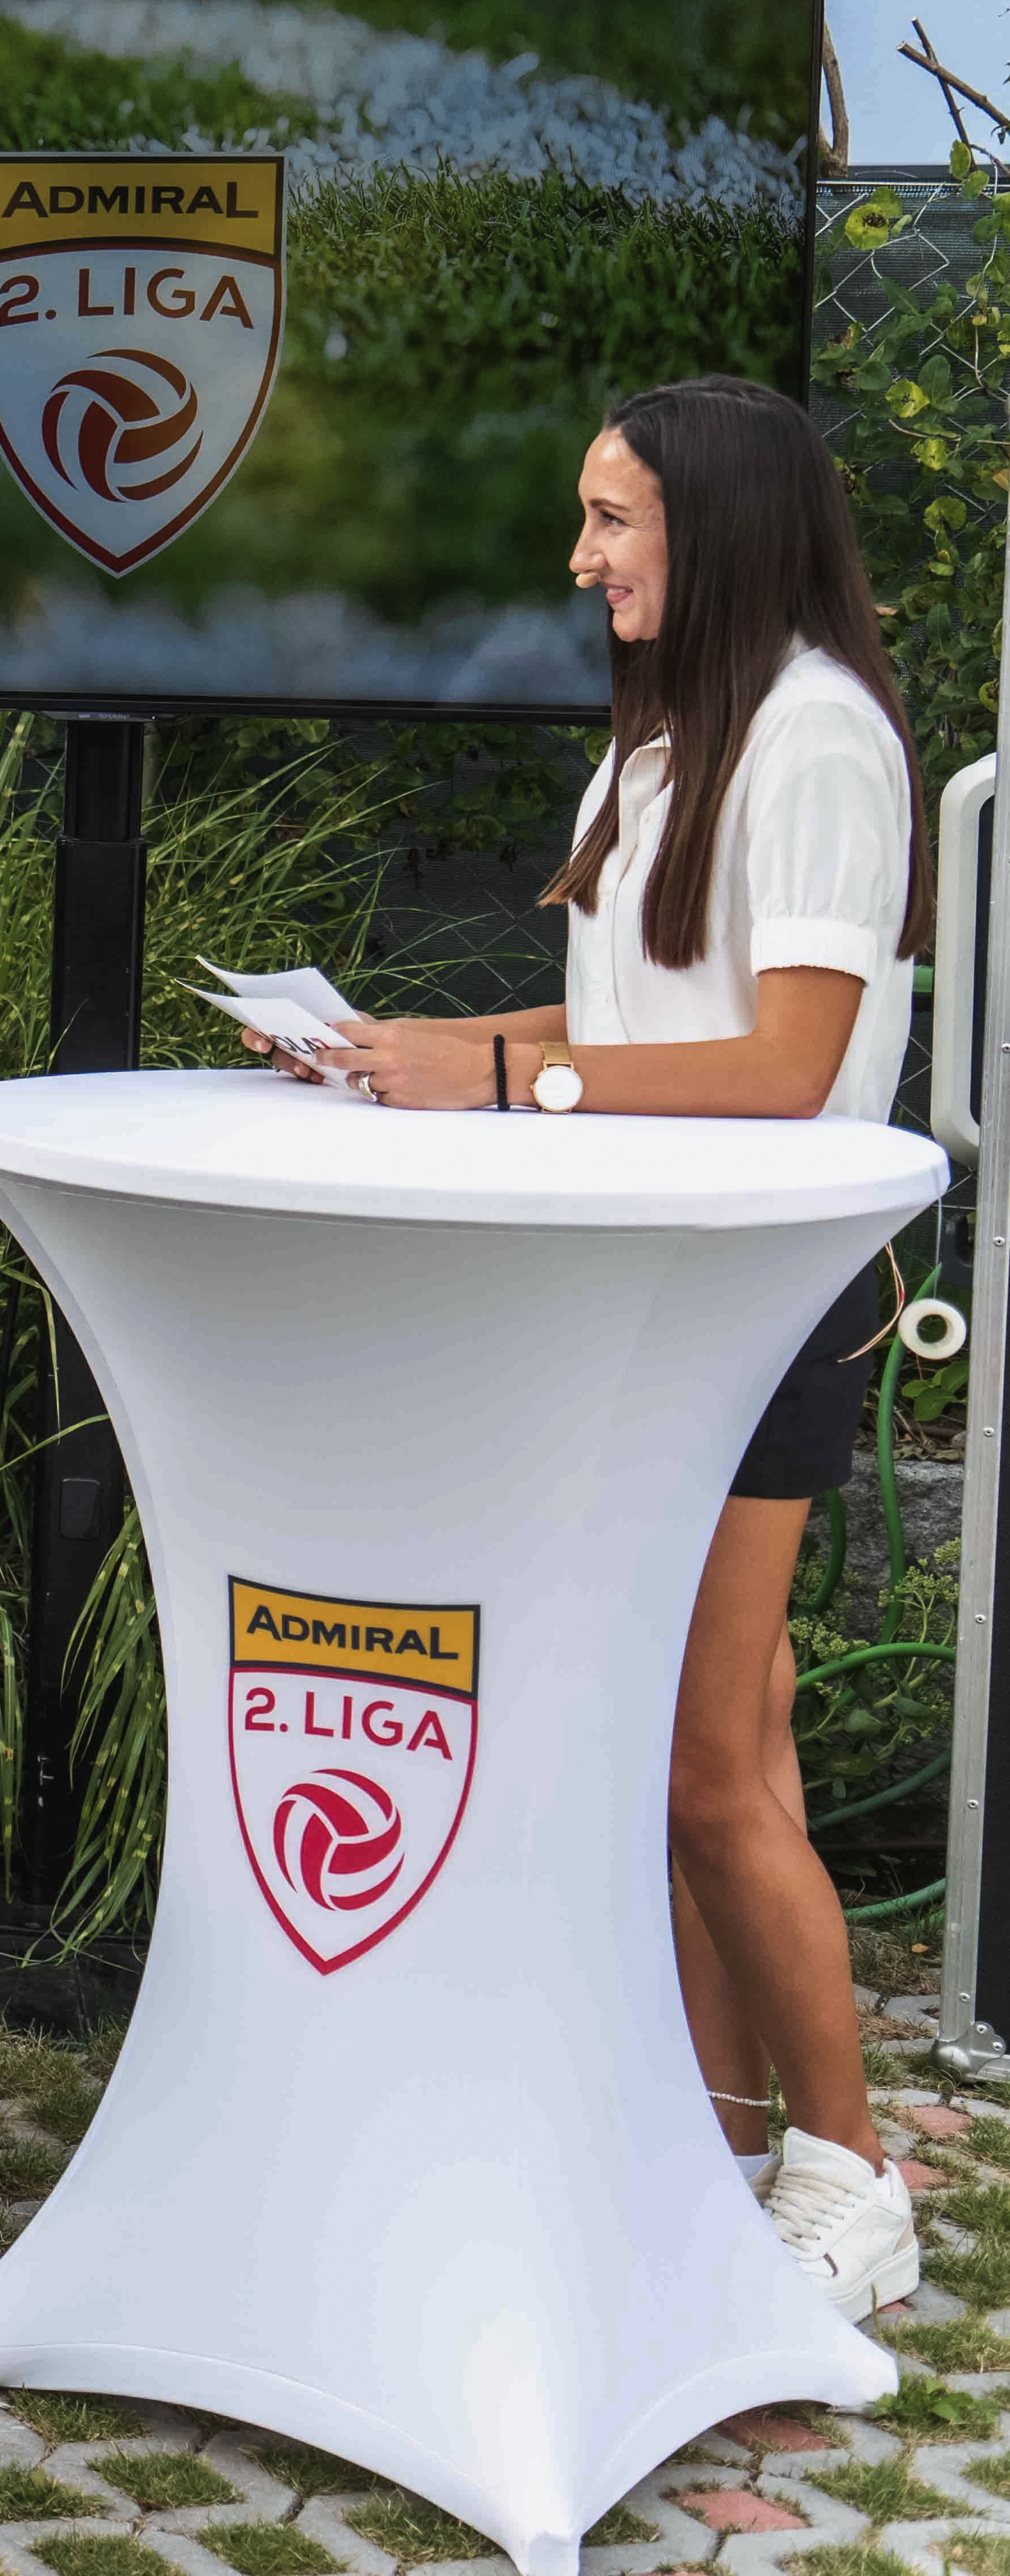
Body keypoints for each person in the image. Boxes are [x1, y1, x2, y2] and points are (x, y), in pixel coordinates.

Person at [297, 374, 932, 2323]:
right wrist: (418, 1053)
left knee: (699, 1762)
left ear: (714, 530)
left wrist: (500, 1080)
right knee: (732, 1747)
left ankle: (852, 2179)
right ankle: (719, 2146)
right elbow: (637, 1034)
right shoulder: (657, 748)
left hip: (759, 1299)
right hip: (651, 1295)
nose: (579, 560)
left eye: (610, 521)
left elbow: (782, 1068)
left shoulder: (814, 738)